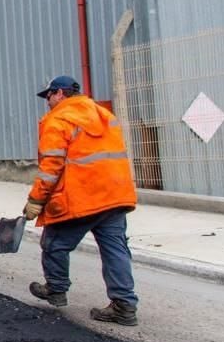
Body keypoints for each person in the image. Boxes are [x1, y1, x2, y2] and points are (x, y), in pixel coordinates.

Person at [24, 75, 140, 326]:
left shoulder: (58, 120)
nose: (47, 102)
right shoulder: (104, 115)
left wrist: (36, 199)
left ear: (60, 94)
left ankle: (55, 289)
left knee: (54, 243)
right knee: (115, 251)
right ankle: (124, 305)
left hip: (82, 197)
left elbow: (51, 167)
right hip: (115, 195)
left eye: (49, 96)